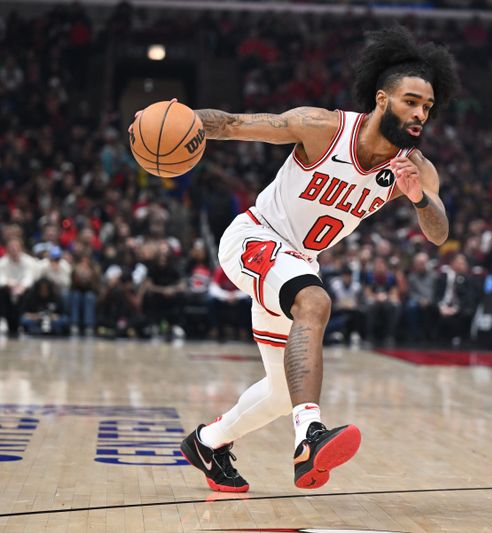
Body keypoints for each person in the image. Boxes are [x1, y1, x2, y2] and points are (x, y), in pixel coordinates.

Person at [130, 26, 458, 492]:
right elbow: (231, 123)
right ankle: (309, 439)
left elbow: (440, 232)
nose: (420, 113)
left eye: (427, 106)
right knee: (315, 302)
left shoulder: (415, 167)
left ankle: (207, 442)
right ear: (382, 99)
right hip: (255, 238)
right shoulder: (323, 127)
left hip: (299, 262)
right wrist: (173, 116)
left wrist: (421, 200)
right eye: (411, 101)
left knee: (284, 390)